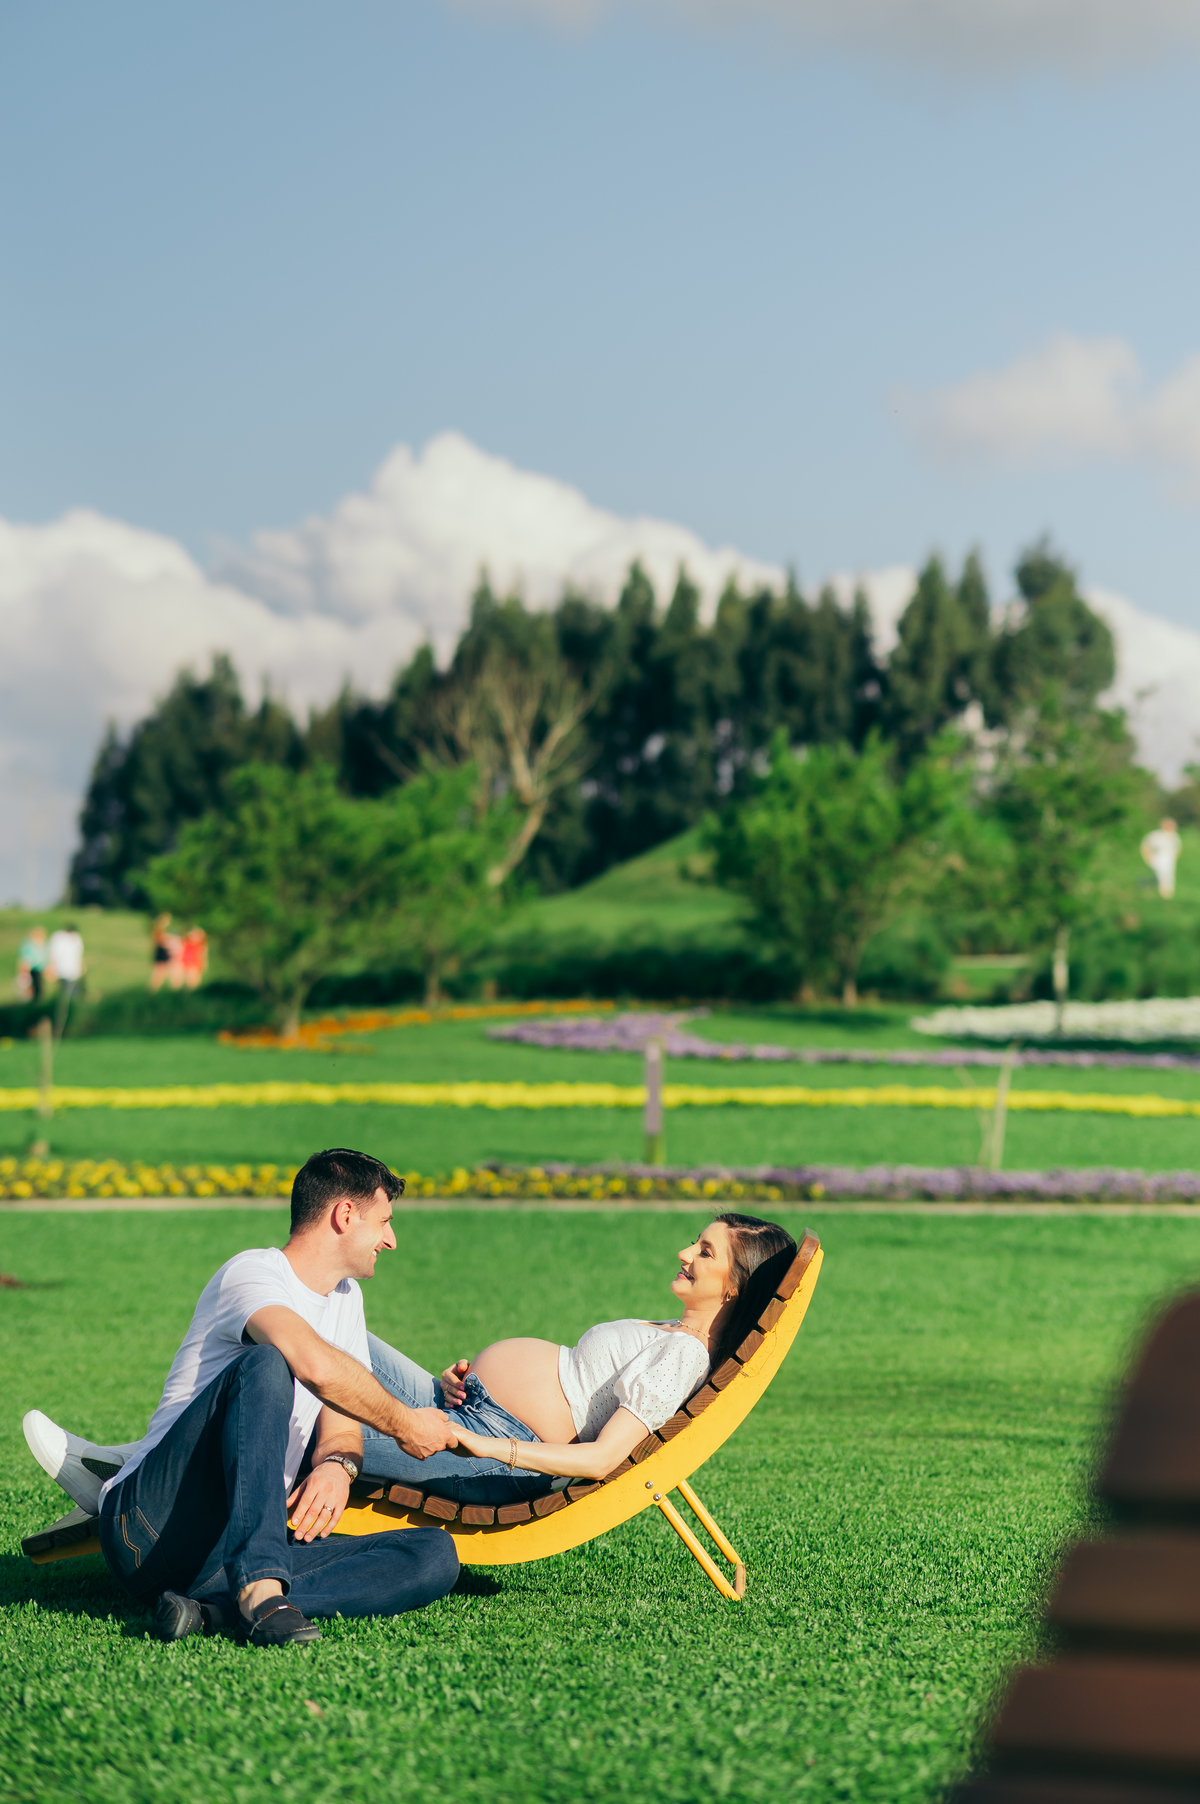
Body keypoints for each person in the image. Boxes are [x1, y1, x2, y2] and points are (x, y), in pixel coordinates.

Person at [34, 1212, 796, 1520]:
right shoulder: (671, 1332)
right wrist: (462, 1393)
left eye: (704, 1253)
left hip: (494, 1458)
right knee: (328, 1332)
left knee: (323, 1374)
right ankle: (139, 1461)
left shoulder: (680, 1356)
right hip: (466, 1406)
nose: (683, 1253)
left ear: (734, 1284)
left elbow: (599, 1459)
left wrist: (480, 1441)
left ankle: (137, 1491)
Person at [23, 1148, 460, 1646]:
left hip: (225, 1554)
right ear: (344, 1215)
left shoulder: (346, 1300)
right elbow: (314, 1366)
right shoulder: (251, 1273)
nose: (391, 1239)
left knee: (433, 1554)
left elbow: (341, 1423)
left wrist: (339, 1466)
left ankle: (213, 1612)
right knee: (268, 1362)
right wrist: (406, 1424)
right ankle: (259, 1592)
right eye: (384, 1221)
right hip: (149, 1528)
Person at [46, 921, 85, 1036]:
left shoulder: (76, 938)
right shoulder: (58, 938)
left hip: (74, 973)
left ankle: (71, 1024)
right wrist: (52, 968)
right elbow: (54, 954)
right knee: (64, 999)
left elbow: (79, 954)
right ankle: (61, 1026)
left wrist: (82, 968)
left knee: (73, 998)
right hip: (62, 972)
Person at [1141, 817, 1183, 900]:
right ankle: (1163, 892)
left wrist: (1174, 857)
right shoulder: (1156, 835)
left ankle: (1167, 893)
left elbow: (1177, 848)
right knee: (1161, 873)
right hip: (1159, 857)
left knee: (1169, 874)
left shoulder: (1174, 836)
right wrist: (1148, 857)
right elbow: (1146, 845)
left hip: (1169, 858)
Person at [16, 925, 47, 1002]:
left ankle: (37, 1001)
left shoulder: (41, 944)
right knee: (30, 986)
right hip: (30, 968)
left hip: (39, 968)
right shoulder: (28, 944)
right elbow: (24, 959)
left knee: (39, 987)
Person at [149, 914, 178, 991]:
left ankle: (174, 989)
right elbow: (160, 941)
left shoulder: (161, 929)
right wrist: (170, 941)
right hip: (162, 952)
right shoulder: (158, 929)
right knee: (160, 973)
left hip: (163, 951)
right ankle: (153, 990)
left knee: (171, 971)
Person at [181, 925, 208, 990]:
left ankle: (194, 993)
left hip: (197, 964)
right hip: (189, 963)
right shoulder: (187, 943)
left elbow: (203, 955)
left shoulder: (201, 945)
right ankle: (190, 993)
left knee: (197, 981)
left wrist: (204, 963)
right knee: (190, 981)